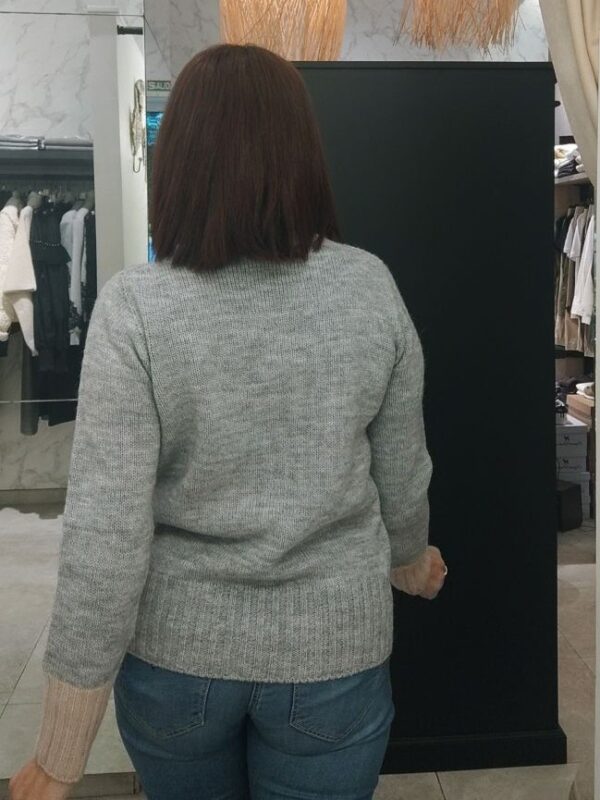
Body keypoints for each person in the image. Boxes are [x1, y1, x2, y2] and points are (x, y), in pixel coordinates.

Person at [9, 44, 447, 800]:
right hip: (332, 652)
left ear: (178, 161)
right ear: (302, 155)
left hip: (176, 666)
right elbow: (402, 465)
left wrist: (60, 750)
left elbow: (105, 532)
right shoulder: (368, 287)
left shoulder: (136, 307)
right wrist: (409, 556)